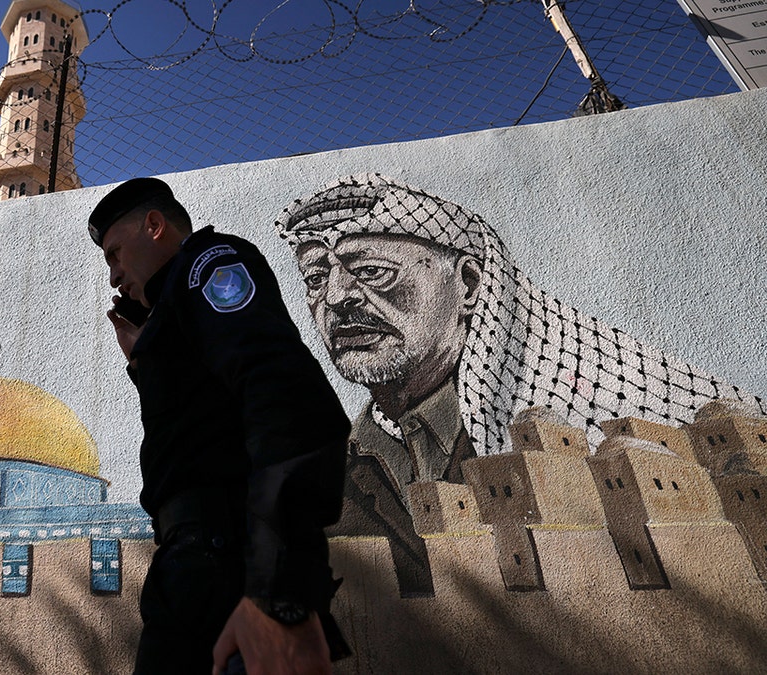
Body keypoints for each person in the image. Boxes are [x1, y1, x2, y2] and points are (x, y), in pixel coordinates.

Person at [275, 173, 766, 502]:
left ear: (468, 285)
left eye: (373, 271)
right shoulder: (354, 458)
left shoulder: (577, 418)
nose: (336, 297)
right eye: (316, 279)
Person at [89, 177, 351, 675]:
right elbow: (199, 431)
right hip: (188, 566)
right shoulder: (171, 314)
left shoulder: (205, 264)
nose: (115, 276)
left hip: (227, 561)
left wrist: (279, 594)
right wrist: (147, 361)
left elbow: (284, 398)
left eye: (116, 254)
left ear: (154, 225)